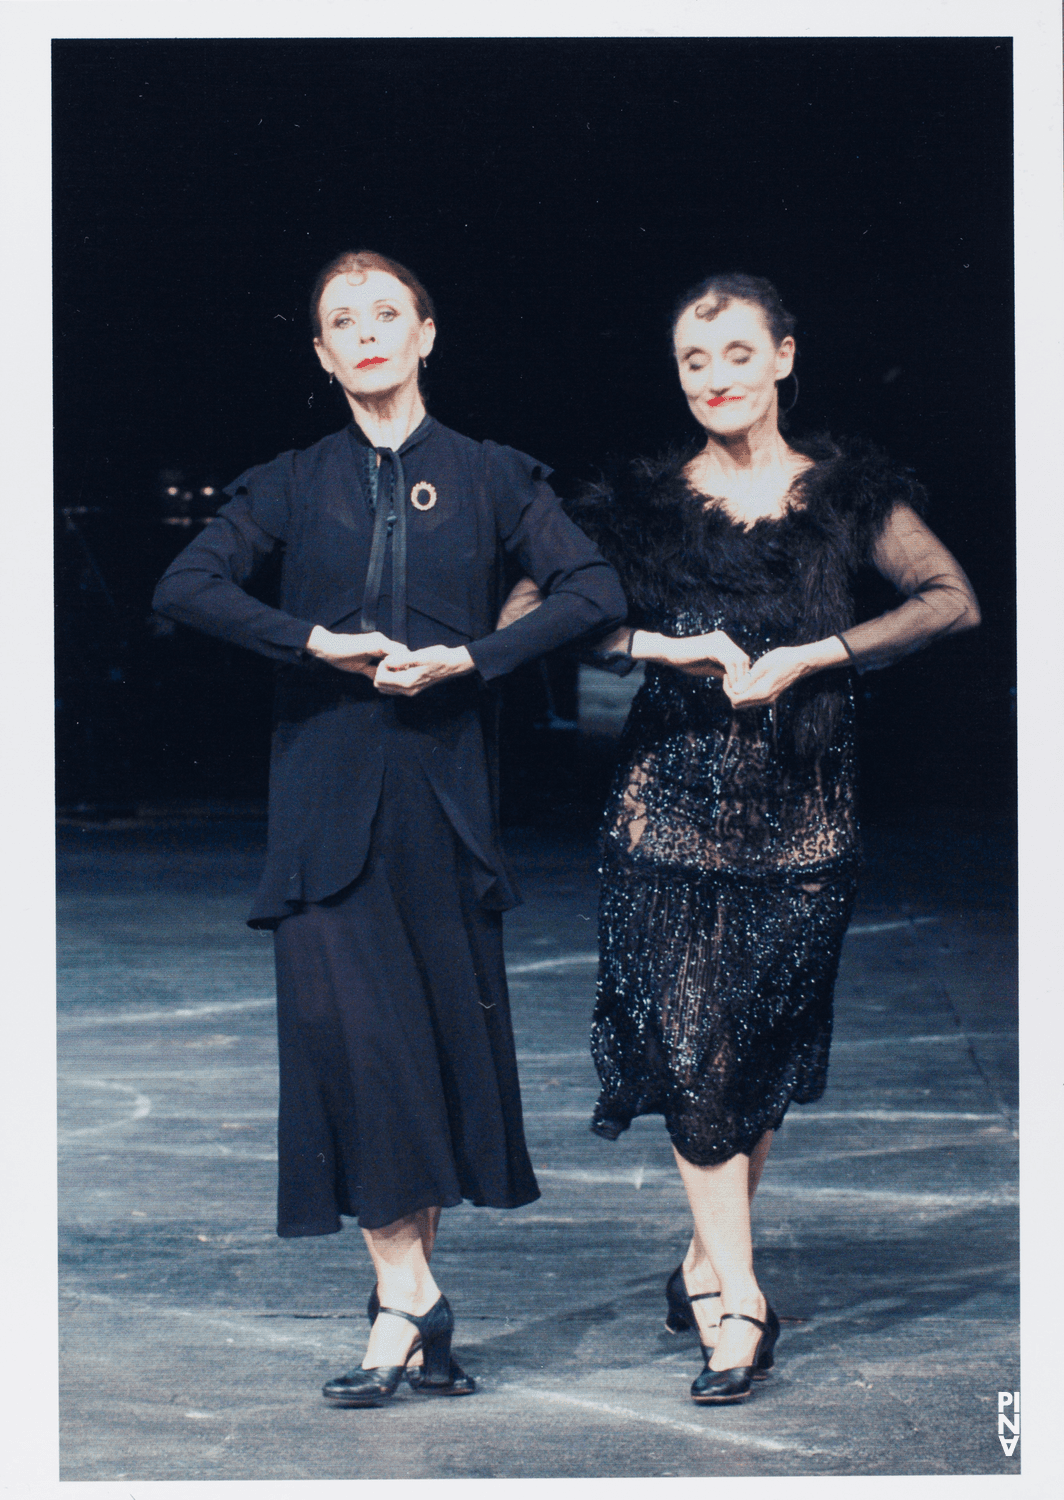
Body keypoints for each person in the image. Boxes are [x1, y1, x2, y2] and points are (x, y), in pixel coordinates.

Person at [151, 250, 626, 1406]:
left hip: (442, 807)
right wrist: (316, 642)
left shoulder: (490, 473)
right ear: (321, 354)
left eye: (383, 314)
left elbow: (594, 592)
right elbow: (186, 586)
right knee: (350, 1052)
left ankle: (404, 1312)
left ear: (424, 334)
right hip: (319, 808)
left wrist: (476, 656)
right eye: (338, 321)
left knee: (410, 1063)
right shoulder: (291, 477)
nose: (363, 333)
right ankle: (409, 1303)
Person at [507, 272, 980, 1406]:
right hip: (663, 813)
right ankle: (740, 1301)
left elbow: (949, 599)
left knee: (753, 1056)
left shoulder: (848, 492)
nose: (713, 377)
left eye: (732, 353)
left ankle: (703, 1259)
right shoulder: (642, 501)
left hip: (805, 817)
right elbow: (528, 615)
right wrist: (660, 649)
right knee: (689, 1053)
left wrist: (820, 654)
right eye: (691, 361)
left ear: (779, 357)